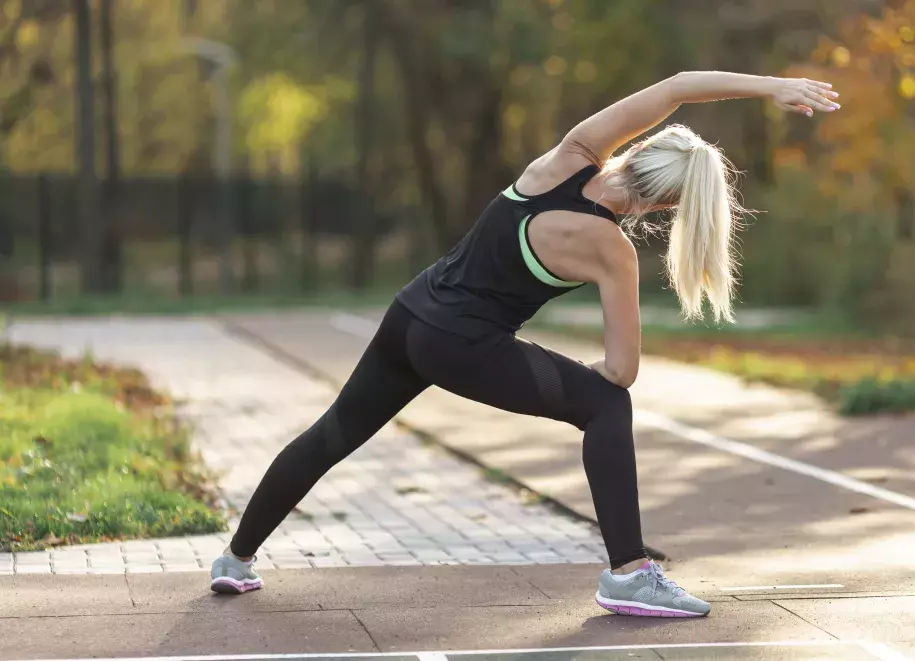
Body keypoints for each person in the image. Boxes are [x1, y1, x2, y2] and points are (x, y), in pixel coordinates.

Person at [209, 70, 840, 617]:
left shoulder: (567, 157)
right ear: (671, 205)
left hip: (409, 315)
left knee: (333, 433)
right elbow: (621, 373)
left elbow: (676, 89)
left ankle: (234, 560)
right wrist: (582, 377)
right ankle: (627, 572)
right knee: (605, 407)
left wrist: (771, 88)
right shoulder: (612, 250)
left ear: (641, 147)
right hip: (463, 345)